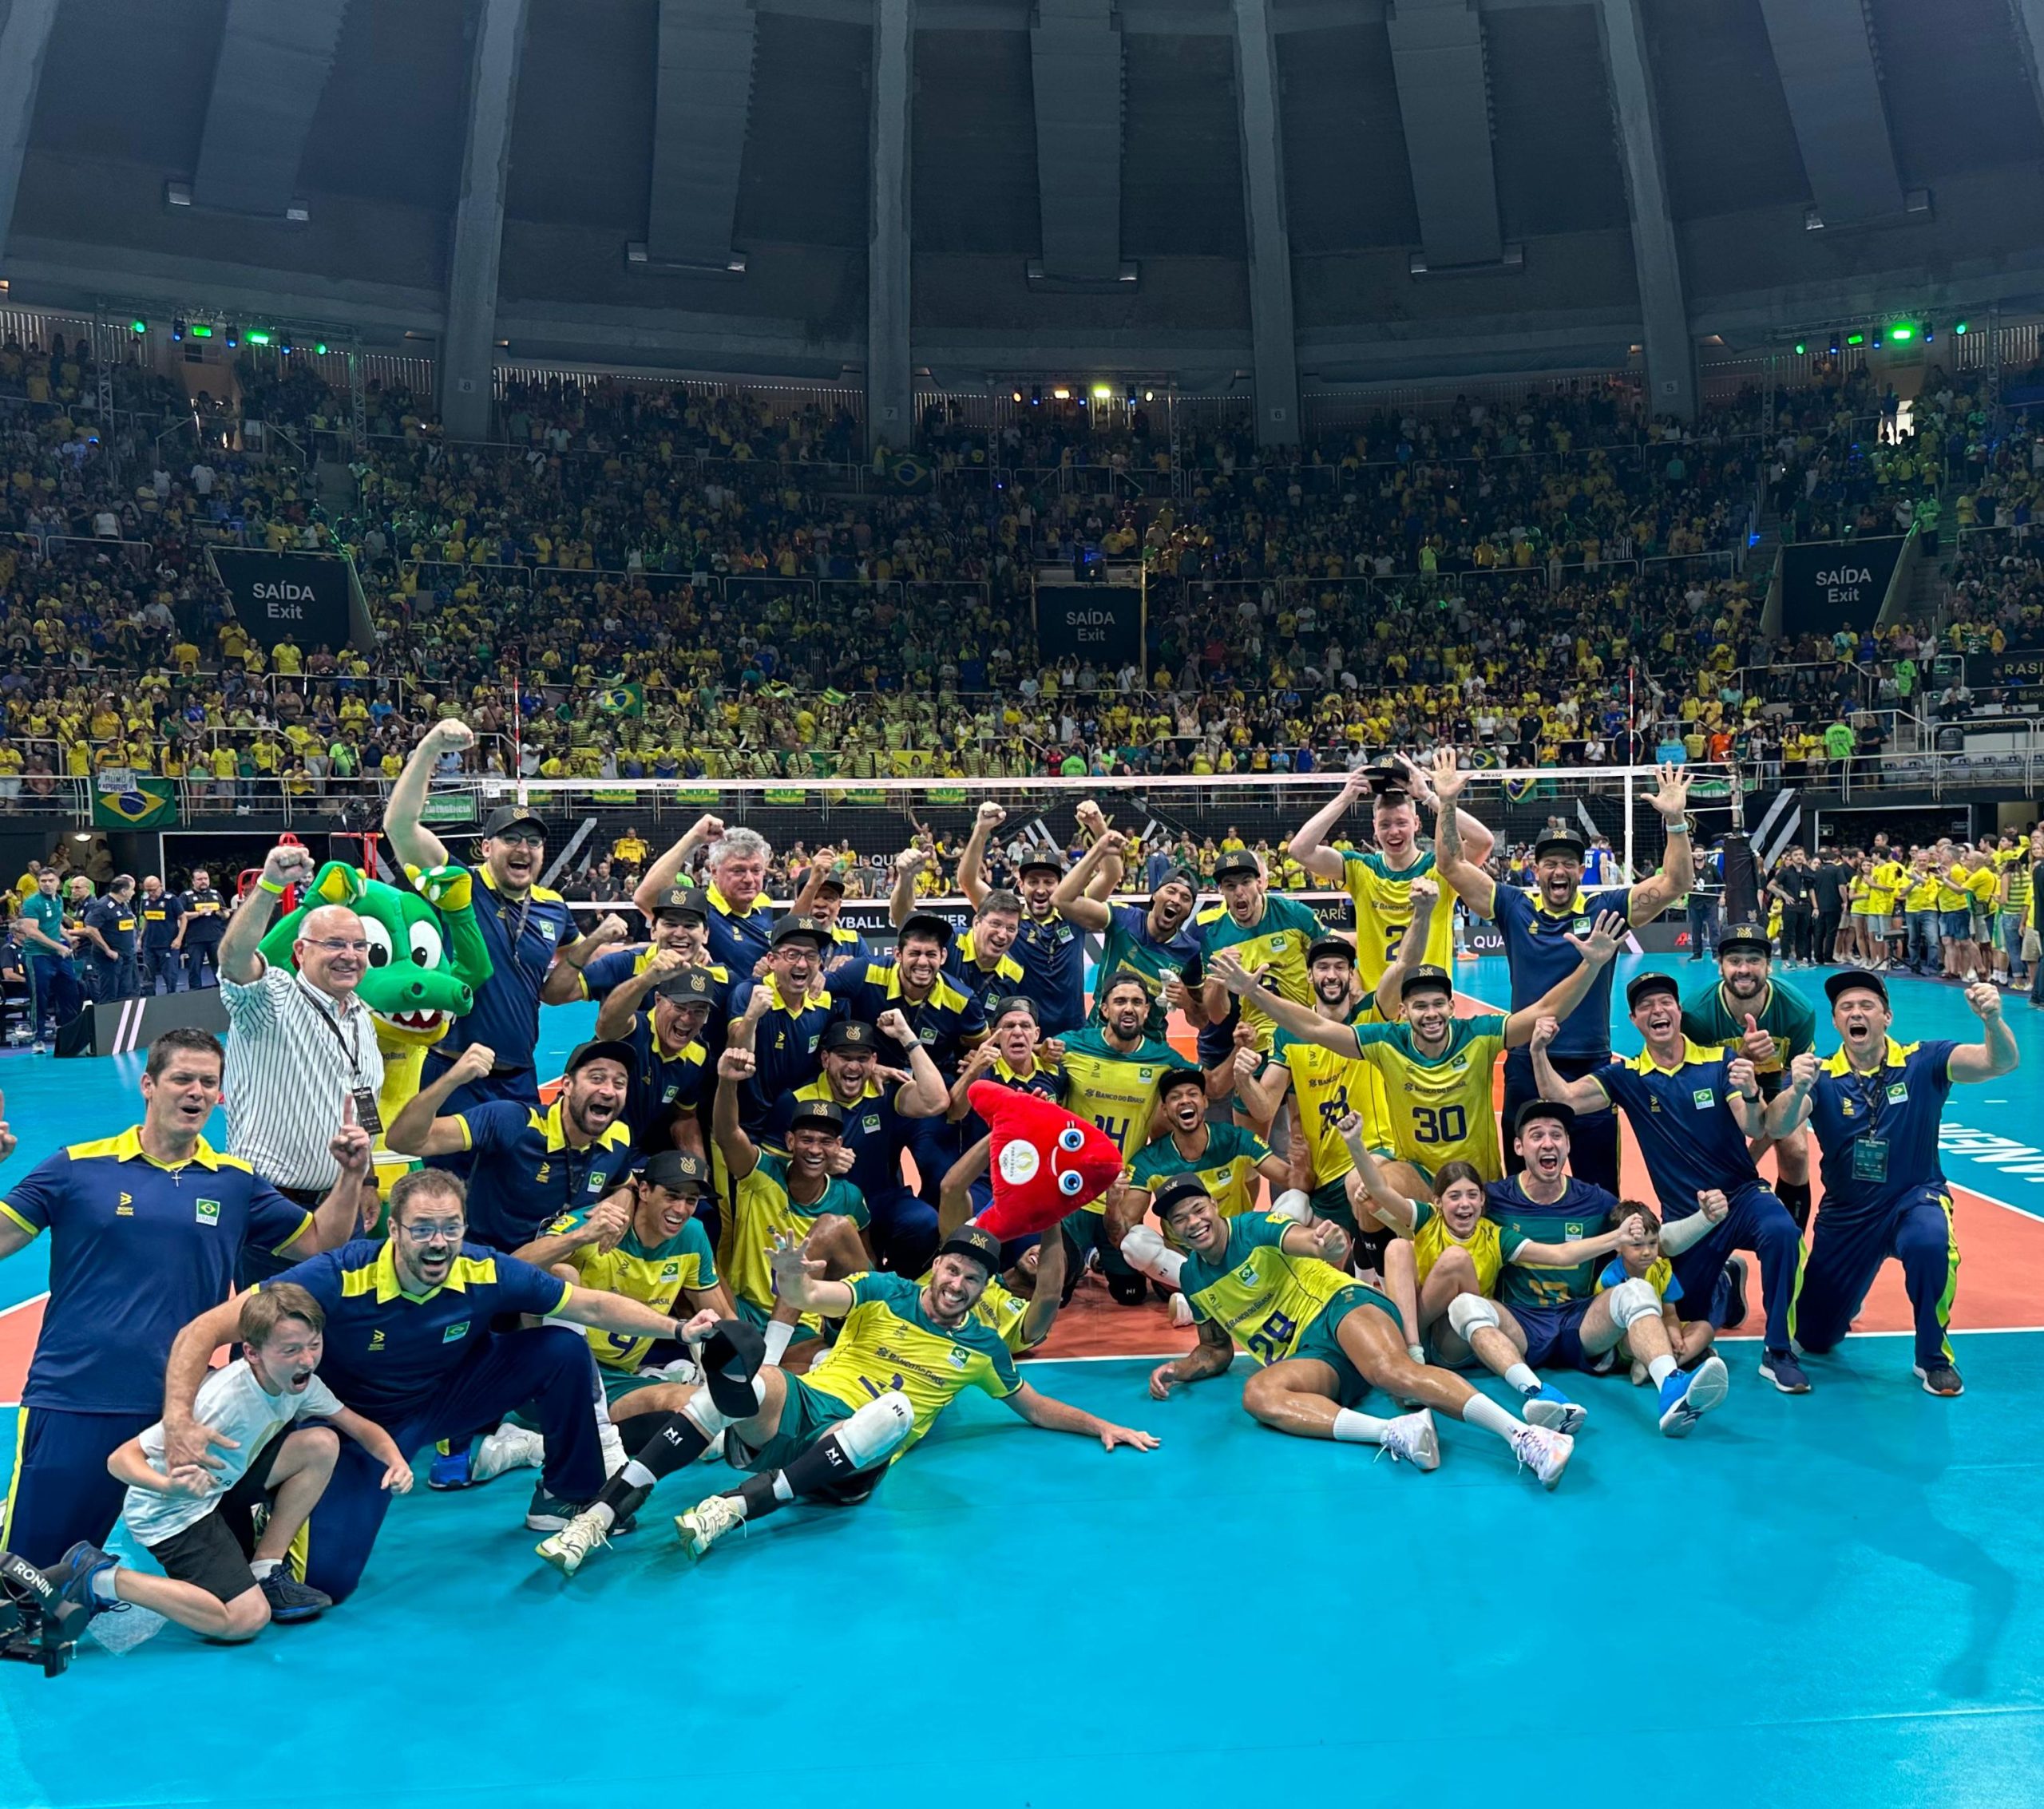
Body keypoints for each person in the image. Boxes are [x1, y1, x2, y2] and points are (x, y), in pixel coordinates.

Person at [156, 1168, 709, 1601]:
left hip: (448, 1398)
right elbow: (203, 1329)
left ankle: (563, 1495)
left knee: (560, 1347)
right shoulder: (338, 1275)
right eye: (421, 1229)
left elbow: (586, 1303)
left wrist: (679, 1328)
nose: (437, 1242)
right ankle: (272, 1504)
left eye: (450, 1228)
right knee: (327, 1583)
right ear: (393, 1231)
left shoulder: (483, 1269)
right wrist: (179, 1420)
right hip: (360, 1427)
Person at [533, 1223, 1158, 1577]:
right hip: (808, 1410)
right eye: (951, 1269)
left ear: (982, 1289)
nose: (957, 1283)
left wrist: (1100, 1424)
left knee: (898, 1410)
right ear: (934, 1268)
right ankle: (600, 1517)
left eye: (971, 1278)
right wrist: (790, 1273)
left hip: (858, 1455)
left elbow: (1034, 1405)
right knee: (753, 1387)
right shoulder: (884, 1291)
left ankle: (733, 1507)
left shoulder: (984, 1348)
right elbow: (809, 1296)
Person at [0, 1029, 369, 1569]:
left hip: (191, 1406)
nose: (195, 1091)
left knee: (228, 1585)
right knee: (31, 1582)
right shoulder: (75, 1167)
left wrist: (352, 1175)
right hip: (78, 1394)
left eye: (208, 1082)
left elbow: (321, 1241)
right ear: (148, 1085)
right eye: (181, 1078)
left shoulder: (235, 1182)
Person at [1130, 1178, 1573, 1486]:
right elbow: (1214, 1350)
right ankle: (1397, 1431)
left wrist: (1326, 1244)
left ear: (1213, 1205)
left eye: (1197, 1209)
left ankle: (1526, 1436)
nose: (1193, 1222)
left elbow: (1304, 1240)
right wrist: (1180, 1368)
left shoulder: (1253, 1228)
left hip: (1340, 1307)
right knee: (1258, 1396)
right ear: (1170, 1231)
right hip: (1311, 1357)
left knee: (1391, 1371)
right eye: (1180, 1219)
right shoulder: (1194, 1279)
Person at [48, 1285, 409, 1642]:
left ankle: (267, 1567)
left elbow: (359, 1426)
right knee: (246, 1620)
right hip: (172, 1514)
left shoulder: (301, 1384)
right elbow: (120, 1460)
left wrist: (395, 1460)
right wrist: (169, 1486)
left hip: (222, 1487)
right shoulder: (222, 1404)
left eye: (314, 1346)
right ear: (251, 1352)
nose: (307, 1360)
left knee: (321, 1443)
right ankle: (99, 1577)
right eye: (291, 1350)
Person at [1346, 1124, 1729, 1436]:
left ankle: (1673, 1390)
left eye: (1556, 1135)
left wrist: (1704, 1219)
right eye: (1536, 1135)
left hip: (1579, 1321)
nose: (1464, 1204)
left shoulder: (1577, 1204)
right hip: (1519, 1325)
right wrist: (1358, 1151)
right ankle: (1537, 1394)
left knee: (1639, 1289)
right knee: (1450, 1290)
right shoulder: (1488, 1202)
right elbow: (1384, 1194)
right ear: (1518, 1147)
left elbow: (1646, 1239)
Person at [1530, 970, 1810, 1395]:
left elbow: (1754, 1126)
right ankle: (1724, 1285)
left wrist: (1752, 1092)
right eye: (1646, 1006)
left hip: (1741, 1195)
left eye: (1665, 1003)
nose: (1657, 1010)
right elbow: (1563, 1098)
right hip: (1687, 1217)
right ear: (1635, 1020)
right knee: (1689, 1315)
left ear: (1678, 1012)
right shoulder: (1625, 1078)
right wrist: (1538, 1051)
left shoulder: (1721, 1063)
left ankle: (1778, 1352)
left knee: (1783, 1232)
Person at [1429, 750, 1696, 1193]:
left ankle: (1603, 1262)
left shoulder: (1605, 910)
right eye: (1550, 862)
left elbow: (1676, 884)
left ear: (1580, 869)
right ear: (1536, 869)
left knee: (1599, 1188)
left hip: (1590, 1064)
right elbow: (1450, 866)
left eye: (1569, 862)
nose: (1559, 870)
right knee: (1519, 1185)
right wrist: (1449, 804)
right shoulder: (1513, 907)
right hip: (1524, 1063)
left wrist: (1675, 822)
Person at [1210, 902, 1624, 1186]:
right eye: (1419, 1004)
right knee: (1371, 1187)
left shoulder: (1477, 1035)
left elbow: (1548, 1008)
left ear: (1451, 1007)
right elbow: (1316, 1029)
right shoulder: (1385, 1040)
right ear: (1403, 1010)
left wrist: (1592, 965)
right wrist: (1256, 993)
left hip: (1478, 1183)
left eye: (1438, 1004)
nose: (1430, 1013)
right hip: (1422, 1184)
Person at [1769, 973, 2018, 1396]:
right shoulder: (1822, 1076)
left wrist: (1993, 1021)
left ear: (1887, 1017)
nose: (1856, 1013)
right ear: (1836, 1024)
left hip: (1913, 1199)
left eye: (1866, 1005)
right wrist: (1796, 1088)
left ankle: (1933, 1358)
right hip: (1847, 1217)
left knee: (1929, 1241)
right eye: (1846, 1008)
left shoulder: (1925, 1061)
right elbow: (1775, 1124)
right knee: (1814, 1339)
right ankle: (1849, 1292)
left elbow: (2000, 1062)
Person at [386, 720, 587, 1119]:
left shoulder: (553, 908)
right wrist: (430, 748)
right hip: (454, 1072)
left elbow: (581, 957)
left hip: (519, 1078)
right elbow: (400, 826)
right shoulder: (457, 885)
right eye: (511, 839)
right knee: (446, 1182)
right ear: (485, 847)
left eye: (533, 841)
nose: (523, 849)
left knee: (521, 1180)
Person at [215, 842, 386, 1281]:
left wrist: (366, 1180)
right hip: (273, 1204)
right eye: (334, 944)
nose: (349, 955)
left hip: (342, 1201)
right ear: (299, 952)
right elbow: (233, 958)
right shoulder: (273, 999)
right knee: (269, 1334)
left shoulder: (362, 1018)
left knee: (339, 1331)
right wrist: (271, 885)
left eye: (359, 946)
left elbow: (363, 1107)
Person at [512, 1150, 735, 1403]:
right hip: (549, 1369)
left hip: (618, 1378)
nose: (681, 1210)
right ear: (644, 1192)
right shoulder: (593, 1221)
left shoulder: (692, 1236)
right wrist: (580, 1237)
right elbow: (508, 1270)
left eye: (691, 1200)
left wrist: (754, 1370)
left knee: (695, 1407)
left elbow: (723, 1318)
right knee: (561, 1273)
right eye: (671, 1196)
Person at [386, 1038, 642, 1253]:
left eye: (620, 1084)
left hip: (551, 1262)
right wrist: (452, 1079)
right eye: (597, 1078)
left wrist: (625, 1197)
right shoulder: (513, 1122)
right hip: (484, 1261)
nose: (609, 1091)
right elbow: (404, 1141)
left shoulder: (617, 1137)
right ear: (566, 1085)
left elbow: (625, 1181)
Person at [711, 1038, 872, 1364]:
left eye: (826, 1142)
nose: (815, 1150)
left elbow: (863, 1264)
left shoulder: (848, 1198)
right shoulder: (761, 1173)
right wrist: (728, 1082)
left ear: (839, 1145)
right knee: (697, 1250)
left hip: (803, 1323)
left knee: (833, 1229)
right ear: (789, 1141)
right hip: (743, 1309)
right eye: (807, 1140)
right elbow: (727, 1134)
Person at [1287, 757, 1495, 987]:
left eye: (1401, 823)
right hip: (1375, 1008)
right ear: (1374, 828)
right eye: (1385, 825)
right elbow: (1299, 850)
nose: (1393, 832)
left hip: (1428, 1005)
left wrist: (1431, 797)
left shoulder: (1441, 868)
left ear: (1416, 823)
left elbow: (1483, 842)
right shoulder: (1360, 868)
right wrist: (1345, 798)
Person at [768, 1014, 949, 1276]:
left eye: (862, 1058)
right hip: (825, 1206)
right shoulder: (795, 1101)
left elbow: (937, 1101)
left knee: (923, 1223)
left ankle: (899, 1291)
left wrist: (906, 1036)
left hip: (881, 1199)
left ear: (874, 1062)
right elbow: (769, 1169)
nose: (853, 1067)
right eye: (845, 1057)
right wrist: (818, 1164)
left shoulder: (883, 1091)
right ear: (825, 1059)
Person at [1053, 970, 1180, 1304]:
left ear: (1148, 1011)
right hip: (1070, 1191)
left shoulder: (1163, 1059)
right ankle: (1076, 1260)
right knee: (1057, 1292)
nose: (1129, 1008)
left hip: (1119, 1195)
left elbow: (1206, 1087)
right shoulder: (1070, 1046)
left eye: (1137, 1002)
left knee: (1131, 1295)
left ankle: (1097, 1258)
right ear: (1104, 1009)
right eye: (1120, 1001)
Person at [1681, 921, 1818, 1229]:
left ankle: (1792, 1238)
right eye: (1735, 960)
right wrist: (1742, 1059)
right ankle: (1703, 1233)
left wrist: (1748, 1158)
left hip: (1776, 1082)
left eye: (1754, 960)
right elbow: (1695, 1083)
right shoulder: (1696, 1015)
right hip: (1719, 1085)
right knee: (1705, 1157)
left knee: (1795, 1150)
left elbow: (1795, 1085)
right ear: (1720, 967)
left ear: (1770, 966)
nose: (1744, 969)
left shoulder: (1798, 1011)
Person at [1049, 821, 1202, 1039]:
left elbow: (1204, 1021)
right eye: (1171, 891)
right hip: (1098, 1038)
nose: (1176, 900)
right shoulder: (1123, 918)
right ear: (1154, 896)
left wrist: (1187, 1002)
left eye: (1186, 898)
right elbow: (1060, 899)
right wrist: (1098, 850)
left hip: (1150, 1051)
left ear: (1189, 910)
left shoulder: (1191, 952)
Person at [959, 803, 1087, 1035]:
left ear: (1060, 885)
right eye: (1033, 882)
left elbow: (1110, 875)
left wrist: (1098, 829)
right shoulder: (1008, 920)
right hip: (1023, 1036)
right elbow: (967, 881)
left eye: (1049, 882)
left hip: (1073, 1037)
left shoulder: (1075, 915)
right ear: (1020, 885)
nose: (1040, 889)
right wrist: (981, 830)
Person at [1127, 1064, 1295, 1222]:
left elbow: (1290, 1178)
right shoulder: (1149, 1160)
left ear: (1205, 1101)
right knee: (1138, 1239)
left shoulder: (1235, 1139)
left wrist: (1302, 1165)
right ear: (1164, 1110)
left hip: (1236, 1241)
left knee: (1296, 1200)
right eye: (1175, 1097)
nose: (1185, 1100)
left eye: (1192, 1094)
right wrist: (1112, 1203)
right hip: (1184, 1249)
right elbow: (1126, 1221)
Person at [1197, 848, 1325, 1052]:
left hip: (1308, 1030)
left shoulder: (1295, 914)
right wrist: (1221, 979)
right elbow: (1217, 1015)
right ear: (1221, 890)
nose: (1239, 891)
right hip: (1259, 1041)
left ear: (1259, 883)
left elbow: (1332, 957)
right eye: (1230, 886)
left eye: (1246, 882)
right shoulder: (1215, 939)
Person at [723, 915, 838, 1142]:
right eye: (792, 954)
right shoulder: (748, 994)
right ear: (772, 960)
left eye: (811, 956)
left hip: (793, 1130)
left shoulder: (824, 1002)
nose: (802, 964)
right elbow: (738, 1055)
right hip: (743, 1129)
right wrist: (752, 1016)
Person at [593, 965, 714, 1157]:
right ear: (658, 1000)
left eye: (699, 1011)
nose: (687, 1018)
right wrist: (645, 979)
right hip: (589, 1145)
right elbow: (606, 1026)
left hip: (633, 1152)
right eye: (680, 1007)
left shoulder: (698, 1056)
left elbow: (685, 1118)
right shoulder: (632, 1030)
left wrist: (699, 1170)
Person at [18, 866, 80, 1051]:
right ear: (38, 883)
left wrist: (68, 938)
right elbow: (32, 932)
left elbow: (55, 923)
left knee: (71, 992)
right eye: (43, 881)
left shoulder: (58, 899)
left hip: (59, 956)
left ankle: (71, 1034)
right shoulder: (31, 903)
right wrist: (59, 946)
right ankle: (38, 1038)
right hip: (37, 956)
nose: (47, 884)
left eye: (51, 880)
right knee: (40, 997)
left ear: (57, 882)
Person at [77, 875, 139, 1003]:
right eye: (132, 889)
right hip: (110, 958)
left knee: (125, 992)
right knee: (109, 993)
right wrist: (107, 950)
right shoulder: (103, 905)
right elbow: (91, 929)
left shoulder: (123, 905)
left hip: (125, 956)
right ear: (123, 891)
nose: (134, 893)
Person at [172, 866, 229, 990]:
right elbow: (181, 915)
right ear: (193, 881)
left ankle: (224, 990)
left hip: (216, 936)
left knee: (220, 967)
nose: (203, 881)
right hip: (195, 938)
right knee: (194, 968)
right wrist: (199, 913)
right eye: (199, 879)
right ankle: (194, 992)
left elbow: (226, 913)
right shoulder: (186, 896)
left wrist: (222, 913)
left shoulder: (216, 894)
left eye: (205, 878)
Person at [137, 874, 182, 994]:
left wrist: (179, 939)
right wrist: (141, 938)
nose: (151, 893)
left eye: (154, 889)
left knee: (170, 976)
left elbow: (183, 918)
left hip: (168, 944)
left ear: (160, 886)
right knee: (148, 976)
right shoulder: (145, 900)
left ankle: (171, 998)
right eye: (148, 890)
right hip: (149, 944)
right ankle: (150, 1000)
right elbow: (146, 919)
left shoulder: (171, 899)